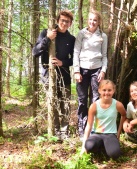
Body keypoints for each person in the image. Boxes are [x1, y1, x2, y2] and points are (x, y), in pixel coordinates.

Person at [32, 10, 75, 140]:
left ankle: (64, 132)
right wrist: (48, 39)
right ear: (57, 20)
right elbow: (35, 52)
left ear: (70, 23)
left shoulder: (71, 39)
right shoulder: (46, 33)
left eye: (67, 21)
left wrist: (63, 62)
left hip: (65, 76)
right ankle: (56, 132)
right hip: (48, 76)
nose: (64, 23)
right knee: (53, 105)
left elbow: (75, 59)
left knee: (65, 105)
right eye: (62, 20)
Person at [73, 10, 108, 139]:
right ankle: (82, 130)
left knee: (95, 100)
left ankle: (93, 128)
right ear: (88, 20)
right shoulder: (81, 34)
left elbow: (104, 56)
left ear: (99, 22)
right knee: (82, 101)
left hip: (97, 71)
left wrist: (103, 70)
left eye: (95, 20)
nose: (92, 22)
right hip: (82, 70)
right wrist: (76, 71)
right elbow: (76, 52)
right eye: (90, 19)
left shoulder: (102, 36)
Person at [81, 80, 126, 159]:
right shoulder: (94, 106)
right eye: (104, 90)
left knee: (115, 154)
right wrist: (83, 146)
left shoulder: (117, 104)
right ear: (99, 91)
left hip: (110, 134)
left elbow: (123, 115)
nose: (106, 93)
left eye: (109, 90)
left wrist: (118, 133)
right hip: (96, 133)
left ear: (113, 91)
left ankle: (107, 146)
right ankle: (101, 146)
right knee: (89, 146)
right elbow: (89, 125)